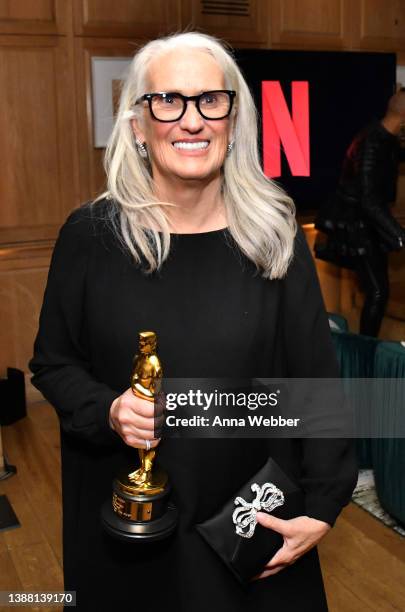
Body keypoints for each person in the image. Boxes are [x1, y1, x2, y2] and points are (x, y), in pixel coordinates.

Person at [30, 32, 357, 611]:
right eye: (168, 101)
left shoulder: (274, 235)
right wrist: (108, 409)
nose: (192, 120)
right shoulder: (89, 237)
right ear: (137, 123)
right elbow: (54, 364)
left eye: (211, 100)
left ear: (234, 118)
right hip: (130, 534)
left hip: (249, 527)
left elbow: (317, 382)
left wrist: (323, 508)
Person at [315, 90, 405, 337]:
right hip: (357, 225)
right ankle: (366, 351)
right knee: (377, 291)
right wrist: (398, 233)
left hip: (369, 223)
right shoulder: (372, 143)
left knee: (378, 290)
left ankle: (368, 346)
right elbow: (368, 199)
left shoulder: (386, 138)